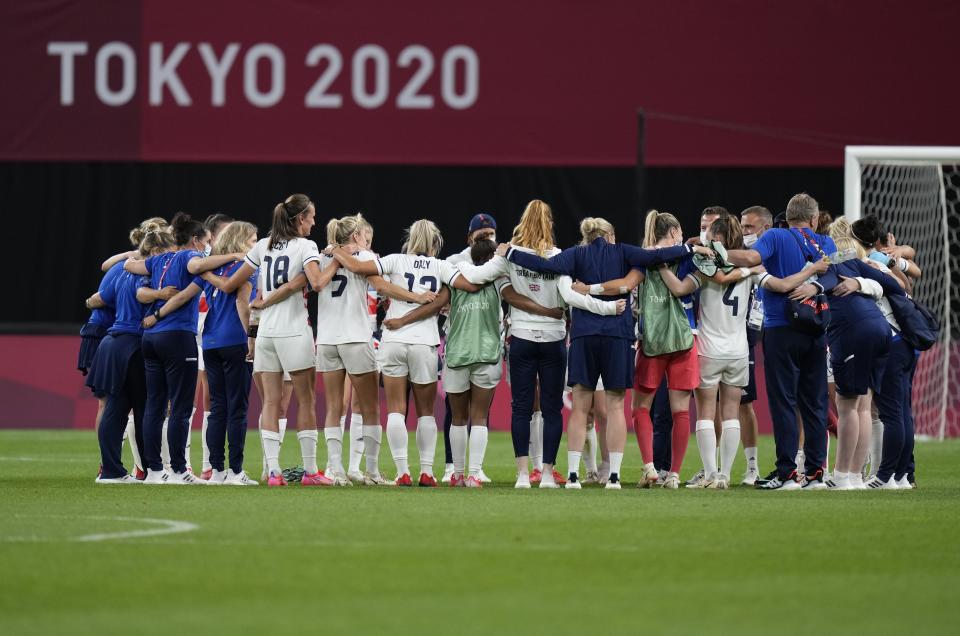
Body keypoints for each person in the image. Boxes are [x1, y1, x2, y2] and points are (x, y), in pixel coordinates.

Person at [500, 216, 709, 489]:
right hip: (616, 336)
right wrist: (689, 249)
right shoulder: (624, 251)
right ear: (610, 236)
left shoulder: (575, 254)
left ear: (587, 237)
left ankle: (574, 476)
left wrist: (512, 253)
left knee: (580, 407)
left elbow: (544, 265)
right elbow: (657, 255)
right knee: (614, 407)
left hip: (584, 335)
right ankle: (614, 477)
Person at [455, 201, 623, 488]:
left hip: (520, 337)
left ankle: (522, 475)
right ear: (550, 223)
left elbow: (474, 275)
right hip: (553, 340)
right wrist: (608, 308)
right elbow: (571, 297)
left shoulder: (509, 255)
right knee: (551, 409)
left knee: (521, 408)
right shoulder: (557, 256)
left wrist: (444, 269)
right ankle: (546, 473)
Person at [658, 215, 824, 488]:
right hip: (738, 350)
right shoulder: (754, 268)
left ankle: (710, 474)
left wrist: (662, 265)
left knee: (706, 413)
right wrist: (813, 270)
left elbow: (677, 290)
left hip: (709, 349)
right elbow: (783, 286)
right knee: (732, 413)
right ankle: (725, 475)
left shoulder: (705, 268)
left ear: (716, 239)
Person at [330, 219, 476, 487]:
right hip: (425, 341)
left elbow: (359, 267)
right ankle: (427, 472)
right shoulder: (442, 266)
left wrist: (335, 250)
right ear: (435, 242)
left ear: (410, 239)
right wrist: (448, 291)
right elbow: (469, 285)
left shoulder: (395, 260)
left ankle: (402, 472)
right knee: (426, 412)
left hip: (393, 339)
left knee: (396, 410)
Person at [212, 194, 341, 487]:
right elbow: (318, 283)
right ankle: (310, 472)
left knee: (270, 403)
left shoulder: (262, 246)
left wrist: (205, 273)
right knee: (305, 401)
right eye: (311, 217)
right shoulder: (306, 246)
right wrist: (332, 260)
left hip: (266, 333)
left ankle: (273, 472)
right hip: (294, 330)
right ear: (299, 219)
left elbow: (231, 284)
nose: (314, 222)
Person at [310, 213, 432, 485]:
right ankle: (372, 472)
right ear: (356, 236)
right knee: (370, 408)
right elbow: (382, 286)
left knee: (332, 407)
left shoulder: (323, 258)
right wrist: (416, 296)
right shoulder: (363, 258)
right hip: (355, 338)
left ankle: (337, 471)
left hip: (327, 339)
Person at [726, 193, 838, 490]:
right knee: (815, 404)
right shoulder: (825, 243)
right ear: (814, 219)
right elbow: (835, 276)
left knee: (784, 403)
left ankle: (787, 472)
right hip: (816, 331)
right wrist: (814, 285)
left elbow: (751, 259)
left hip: (780, 329)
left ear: (787, 218)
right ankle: (815, 473)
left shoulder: (775, 236)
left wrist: (716, 251)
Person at [127, 212, 244, 485]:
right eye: (206, 242)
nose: (208, 247)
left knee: (154, 406)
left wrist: (133, 258)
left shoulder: (157, 260)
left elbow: (131, 266)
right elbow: (191, 275)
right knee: (180, 407)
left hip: (151, 339)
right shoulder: (185, 258)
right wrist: (234, 256)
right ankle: (179, 470)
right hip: (177, 336)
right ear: (195, 241)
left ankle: (154, 470)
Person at [820, 221, 905, 490]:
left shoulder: (830, 265)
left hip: (853, 332)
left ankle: (842, 475)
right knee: (864, 407)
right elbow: (899, 287)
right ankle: (855, 475)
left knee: (847, 406)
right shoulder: (862, 264)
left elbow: (822, 281)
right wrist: (863, 283)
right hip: (882, 332)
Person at [88, 229, 177, 482]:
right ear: (158, 251)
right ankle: (152, 471)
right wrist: (161, 295)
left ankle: (111, 471)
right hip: (134, 344)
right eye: (170, 251)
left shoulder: (120, 271)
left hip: (112, 343)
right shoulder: (149, 271)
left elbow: (100, 299)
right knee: (146, 409)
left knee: (115, 407)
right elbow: (142, 294)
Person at [195, 221, 258, 485]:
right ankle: (236, 471)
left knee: (217, 408)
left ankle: (216, 470)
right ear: (241, 241)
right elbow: (242, 303)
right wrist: (250, 338)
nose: (256, 245)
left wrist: (208, 275)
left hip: (209, 342)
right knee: (238, 409)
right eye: (253, 240)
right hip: (235, 341)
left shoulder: (211, 267)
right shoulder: (246, 269)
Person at [441, 212, 498, 483]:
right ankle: (457, 469)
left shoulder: (456, 267)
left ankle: (471, 471)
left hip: (473, 347)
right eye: (482, 235)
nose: (486, 238)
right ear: (469, 237)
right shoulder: (456, 262)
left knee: (475, 415)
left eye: (490, 234)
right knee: (460, 414)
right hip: (470, 347)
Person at [196, 212, 234, 479]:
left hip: (217, 332)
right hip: (199, 331)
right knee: (199, 399)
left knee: (216, 401)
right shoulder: (203, 259)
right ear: (212, 236)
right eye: (226, 233)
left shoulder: (228, 262)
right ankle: (199, 464)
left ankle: (210, 464)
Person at [737, 205, 774, 484]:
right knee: (735, 402)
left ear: (765, 228)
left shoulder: (774, 252)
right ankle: (748, 468)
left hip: (777, 330)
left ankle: (803, 462)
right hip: (741, 334)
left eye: (749, 227)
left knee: (795, 401)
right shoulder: (741, 254)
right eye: (742, 226)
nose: (744, 231)